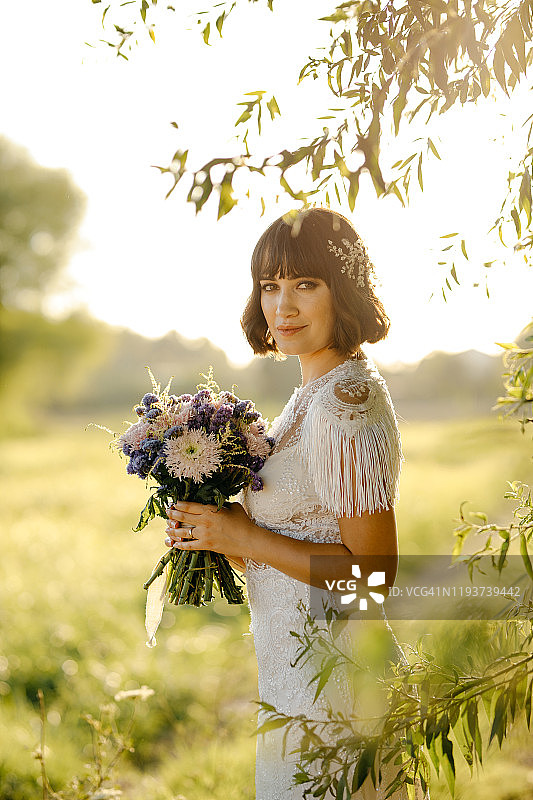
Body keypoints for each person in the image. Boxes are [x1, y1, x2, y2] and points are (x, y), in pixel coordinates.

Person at [165, 208, 422, 799]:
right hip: (293, 668)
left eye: (306, 284)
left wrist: (243, 538)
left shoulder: (346, 404)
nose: (282, 307)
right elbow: (295, 547)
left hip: (333, 669)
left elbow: (374, 576)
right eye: (269, 286)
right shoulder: (314, 392)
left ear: (346, 290)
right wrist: (211, 532)